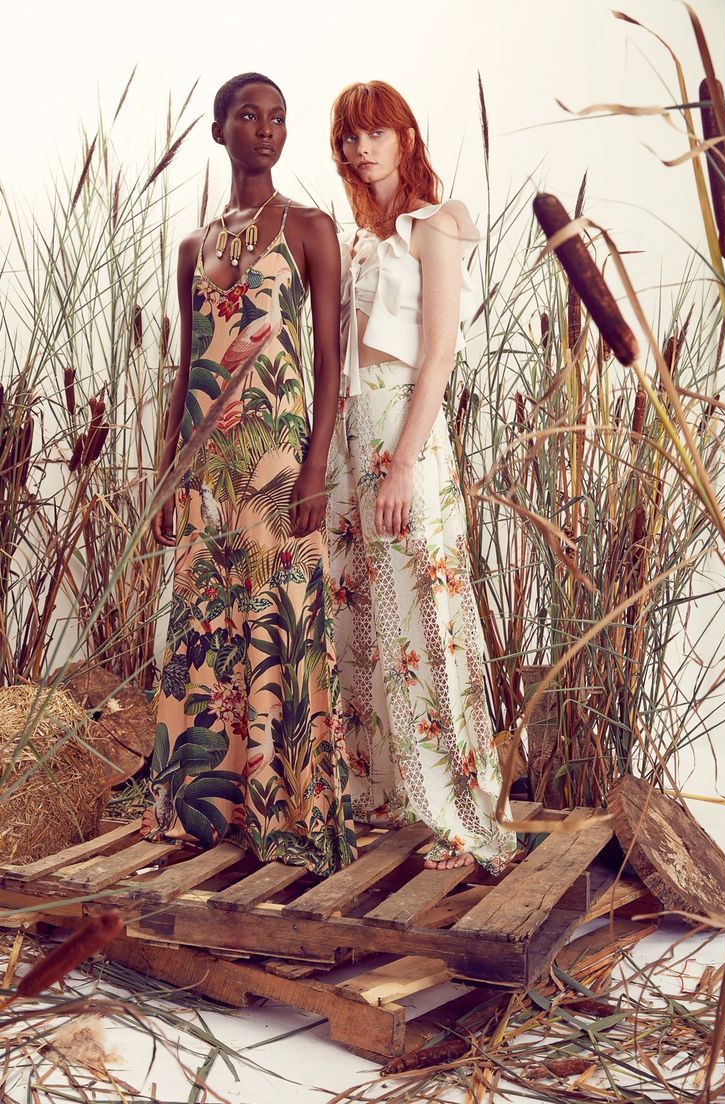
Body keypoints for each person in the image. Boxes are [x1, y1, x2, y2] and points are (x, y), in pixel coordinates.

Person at [143, 72, 356, 877]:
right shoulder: (195, 247)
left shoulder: (308, 227)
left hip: (277, 467)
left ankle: (286, 808)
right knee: (205, 632)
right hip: (206, 476)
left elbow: (330, 363)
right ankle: (204, 805)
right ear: (218, 129)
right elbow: (186, 369)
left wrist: (314, 470)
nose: (264, 130)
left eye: (276, 118)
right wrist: (167, 478)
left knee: (281, 630)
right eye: (247, 117)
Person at [327, 80, 517, 872]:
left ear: (406, 137)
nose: (360, 147)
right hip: (348, 427)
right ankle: (381, 792)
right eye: (348, 136)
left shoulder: (435, 225)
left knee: (422, 617)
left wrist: (403, 462)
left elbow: (438, 354)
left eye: (376, 132)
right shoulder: (358, 238)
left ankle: (462, 814)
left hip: (405, 431)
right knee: (356, 614)